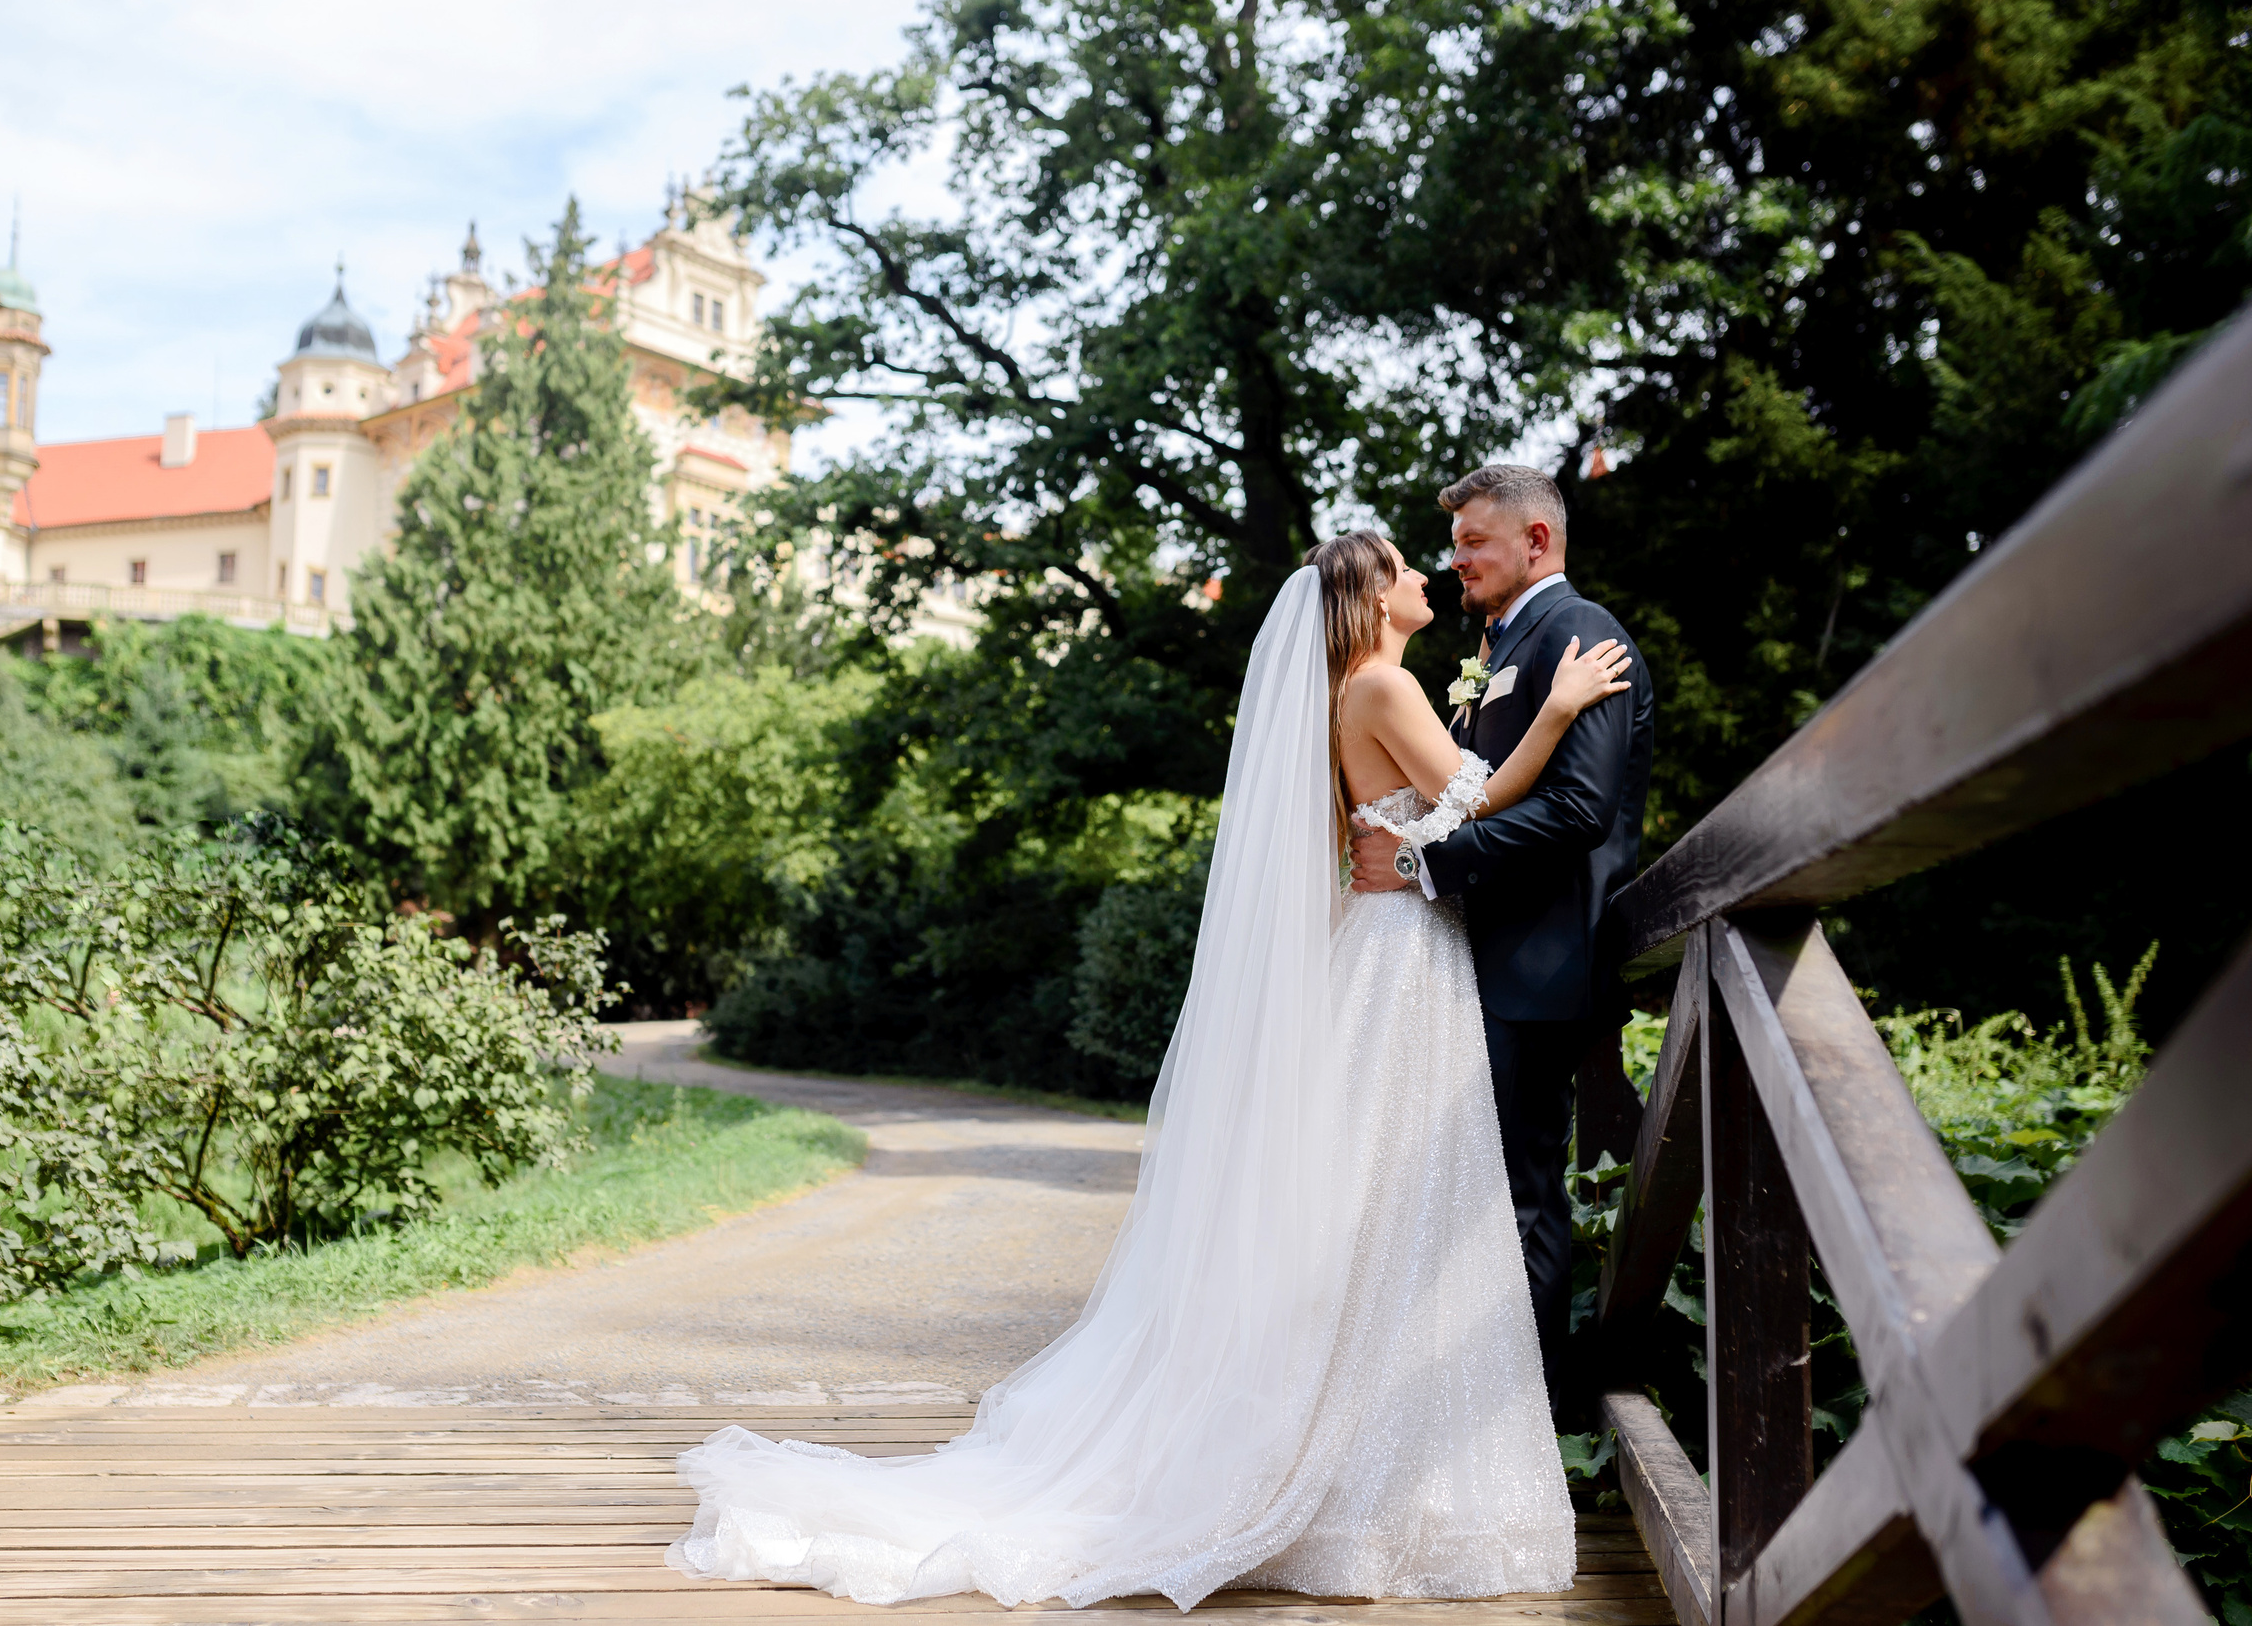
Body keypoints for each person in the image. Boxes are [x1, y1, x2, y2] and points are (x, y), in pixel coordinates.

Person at [663, 527, 1633, 1612]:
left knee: (1374, 1207)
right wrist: (1555, 710)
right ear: (1369, 599)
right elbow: (1478, 795)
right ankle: (1377, 1479)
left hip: (1389, 945)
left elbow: (1422, 819)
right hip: (1404, 958)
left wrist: (1412, 843)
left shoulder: (1354, 688)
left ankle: (1375, 1469)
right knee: (1393, 1208)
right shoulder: (1380, 687)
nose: (1425, 578)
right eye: (1407, 567)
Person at [1348, 464, 1656, 1430]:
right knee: (1464, 1197)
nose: (1456, 559)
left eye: (1473, 541)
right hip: (1475, 959)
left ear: (1536, 541)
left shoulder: (1582, 635)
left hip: (1540, 962)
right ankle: (1458, 1415)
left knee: (1519, 1200)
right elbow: (1474, 783)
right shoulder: (1503, 643)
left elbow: (1575, 810)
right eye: (1452, 544)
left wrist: (1424, 865)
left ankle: (1526, 1432)